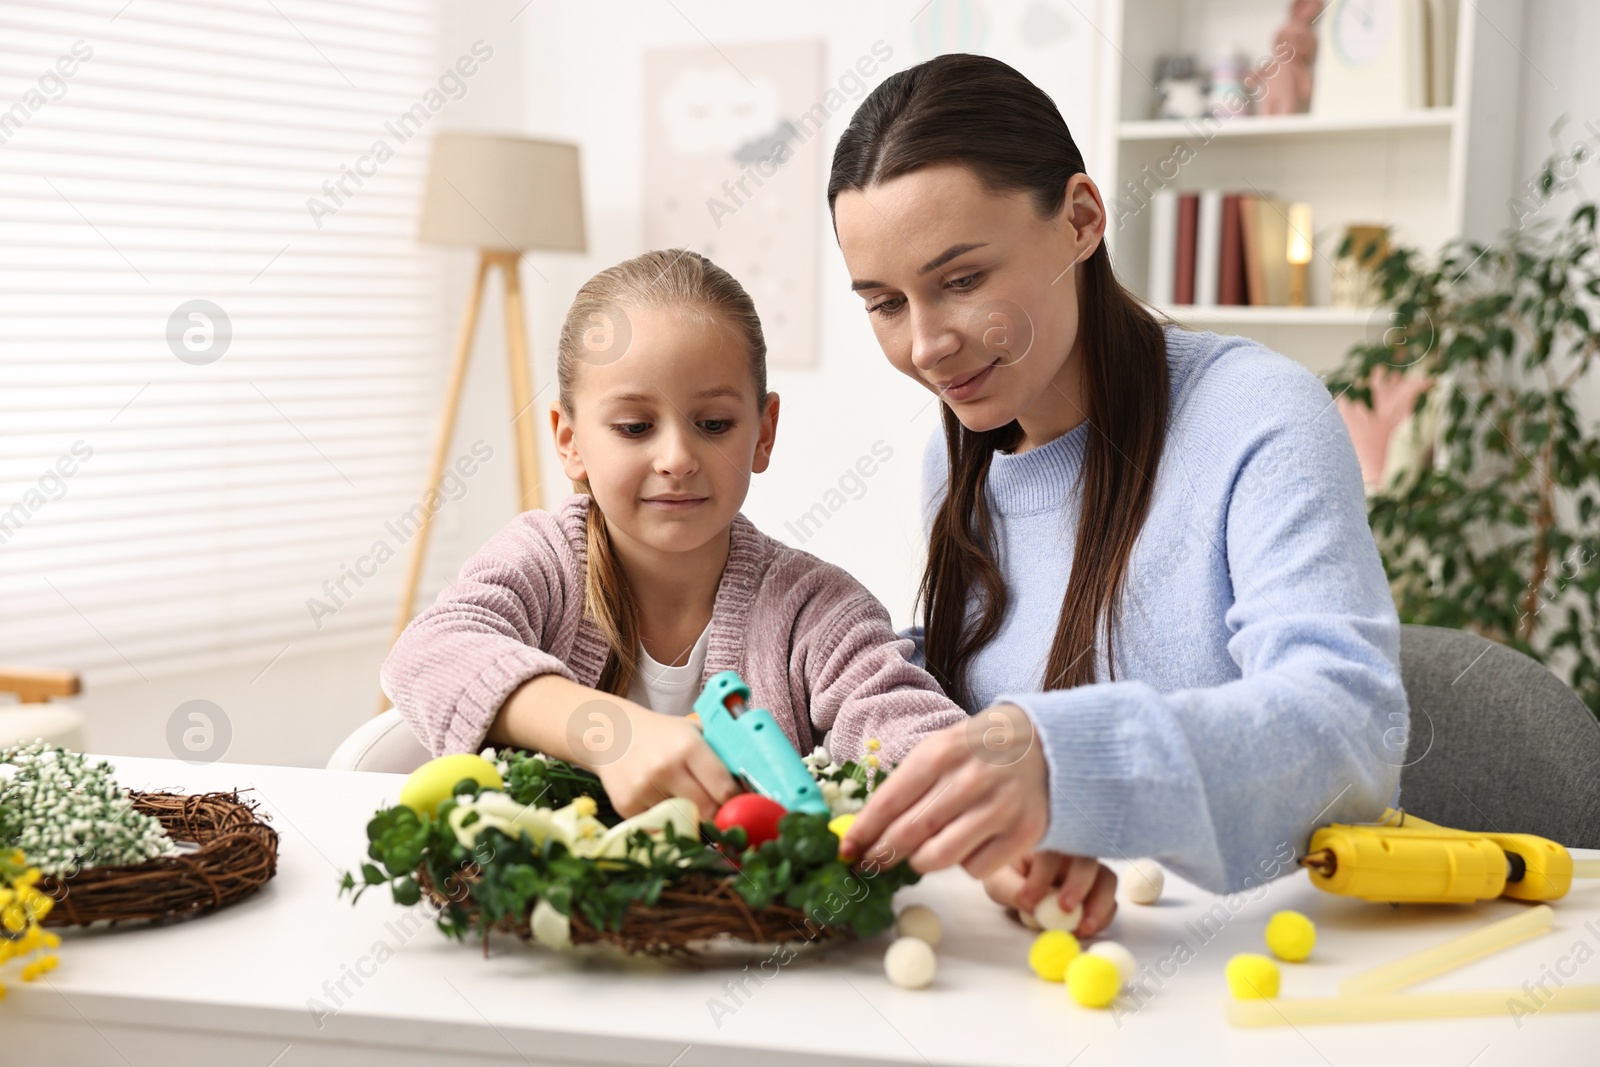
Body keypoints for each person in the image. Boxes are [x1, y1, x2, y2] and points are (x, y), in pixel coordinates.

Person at [829, 54, 1407, 937]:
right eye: (885, 303)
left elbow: (1348, 728)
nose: (926, 345)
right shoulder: (958, 466)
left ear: (1082, 220)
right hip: (1045, 966)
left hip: (1251, 965)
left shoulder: (1257, 415)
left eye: (961, 280)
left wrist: (1063, 761)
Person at [380, 249, 965, 821]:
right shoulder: (545, 561)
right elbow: (426, 654)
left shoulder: (817, 610)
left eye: (713, 424)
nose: (678, 458)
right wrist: (613, 734)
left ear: (763, 434)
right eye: (635, 427)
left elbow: (908, 734)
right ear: (570, 440)